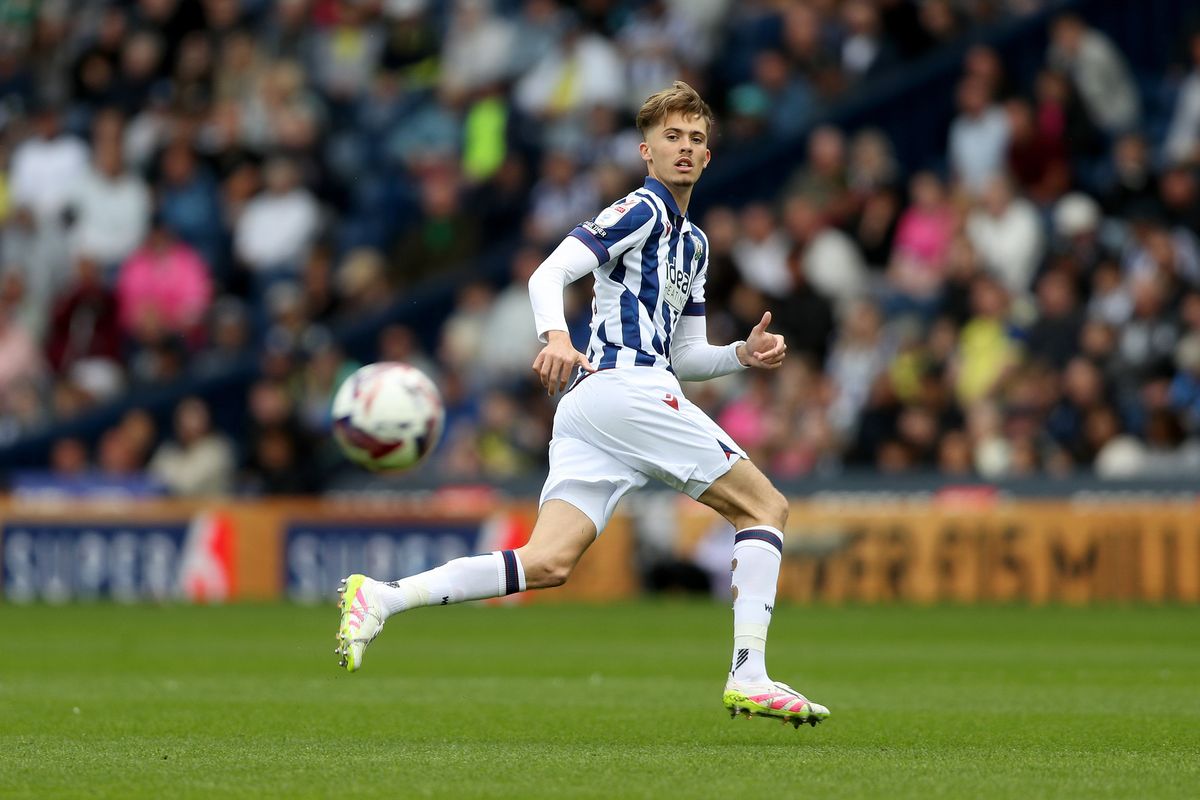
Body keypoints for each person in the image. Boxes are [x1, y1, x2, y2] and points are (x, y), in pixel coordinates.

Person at [334, 82, 830, 728]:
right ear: (646, 151)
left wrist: (741, 354)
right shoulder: (640, 210)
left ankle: (383, 598)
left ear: (709, 157)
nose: (684, 148)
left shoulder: (695, 245)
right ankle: (750, 674)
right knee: (765, 507)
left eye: (696, 139)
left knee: (547, 562)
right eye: (671, 137)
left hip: (600, 405)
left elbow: (685, 354)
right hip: (625, 390)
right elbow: (547, 274)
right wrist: (556, 337)